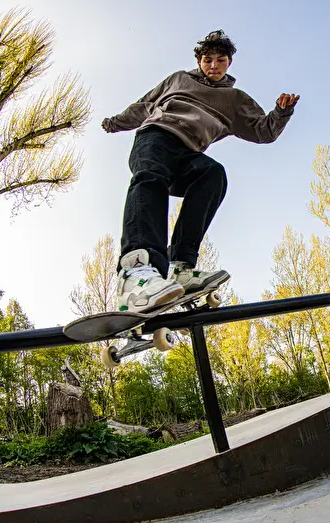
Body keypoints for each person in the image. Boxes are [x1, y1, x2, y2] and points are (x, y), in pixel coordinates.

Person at [101, 30, 300, 313]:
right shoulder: (178, 79)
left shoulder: (235, 100)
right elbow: (143, 106)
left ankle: (180, 266)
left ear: (229, 62)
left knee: (212, 174)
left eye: (220, 61)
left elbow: (262, 131)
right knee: (150, 179)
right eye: (208, 60)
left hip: (188, 153)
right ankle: (136, 270)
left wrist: (281, 113)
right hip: (155, 137)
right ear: (199, 61)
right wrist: (115, 123)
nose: (213, 66)